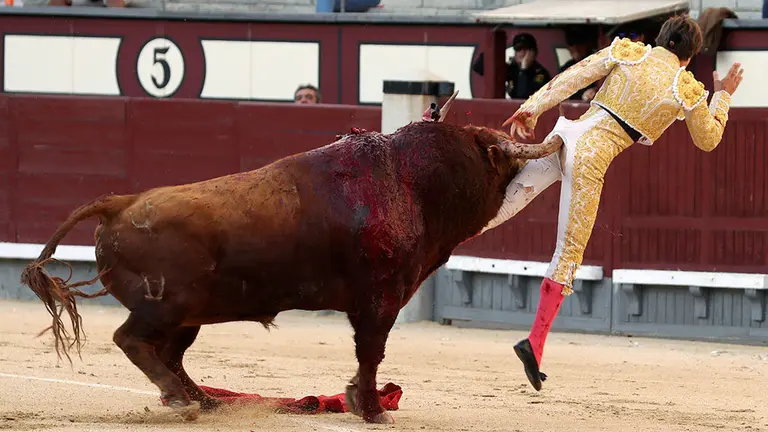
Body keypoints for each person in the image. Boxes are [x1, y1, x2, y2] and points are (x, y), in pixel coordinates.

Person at [479, 15, 743, 391]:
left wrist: (532, 108)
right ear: (688, 56)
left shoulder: (630, 51)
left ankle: (442, 237)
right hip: (588, 160)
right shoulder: (684, 87)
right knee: (568, 253)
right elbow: (708, 138)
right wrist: (723, 95)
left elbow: (576, 75)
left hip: (565, 134)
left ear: (660, 38)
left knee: (499, 209)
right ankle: (534, 344)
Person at [472, 32, 552, 99]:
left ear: (534, 52)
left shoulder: (540, 73)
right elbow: (478, 67)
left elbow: (522, 96)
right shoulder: (512, 68)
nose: (522, 53)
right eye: (518, 49)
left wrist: (524, 69)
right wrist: (495, 52)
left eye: (526, 49)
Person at [559, 28, 599, 101]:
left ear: (586, 45)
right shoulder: (566, 68)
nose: (575, 48)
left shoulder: (597, 63)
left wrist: (594, 91)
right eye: (571, 44)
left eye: (579, 44)